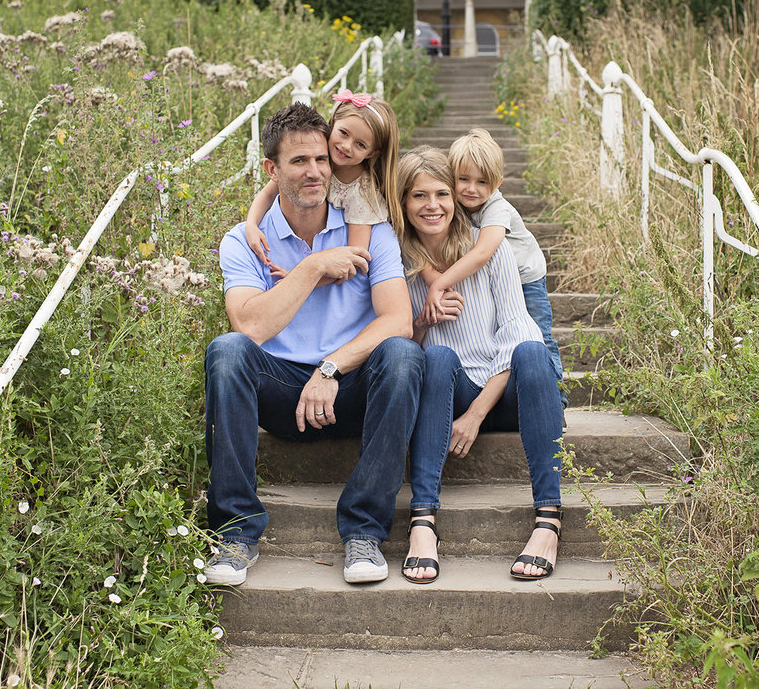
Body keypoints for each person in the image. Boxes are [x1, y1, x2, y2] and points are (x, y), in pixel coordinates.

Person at [203, 102, 422, 587]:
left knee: (404, 356)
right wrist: (313, 267)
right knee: (227, 351)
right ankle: (235, 533)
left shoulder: (371, 228)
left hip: (349, 388)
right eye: (299, 161)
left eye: (322, 159)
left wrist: (331, 369)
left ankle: (364, 531)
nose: (315, 171)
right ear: (271, 170)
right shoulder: (245, 242)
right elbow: (250, 328)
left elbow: (398, 319)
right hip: (280, 394)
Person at [392, 146, 565, 584]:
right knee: (434, 353)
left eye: (442, 194)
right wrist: (421, 322)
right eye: (419, 196)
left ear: (456, 198)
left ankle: (548, 520)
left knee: (532, 351)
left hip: (501, 391)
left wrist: (474, 415)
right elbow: (401, 353)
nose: (433, 206)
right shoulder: (398, 264)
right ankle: (422, 520)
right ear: (403, 202)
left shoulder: (491, 250)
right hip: (448, 387)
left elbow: (519, 334)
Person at [415, 129, 566, 407]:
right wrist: (428, 272)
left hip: (526, 278)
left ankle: (555, 398)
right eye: (463, 179)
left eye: (482, 181)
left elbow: (483, 252)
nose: (471, 189)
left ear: (496, 183)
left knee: (538, 338)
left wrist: (438, 282)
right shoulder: (453, 204)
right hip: (496, 280)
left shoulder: (497, 208)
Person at [245, 90, 400, 276]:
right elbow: (268, 192)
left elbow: (353, 262)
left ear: (372, 152)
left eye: (360, 145)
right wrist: (251, 225)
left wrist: (301, 278)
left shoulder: (362, 194)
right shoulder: (316, 155)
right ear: (332, 124)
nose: (346, 146)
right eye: (343, 133)